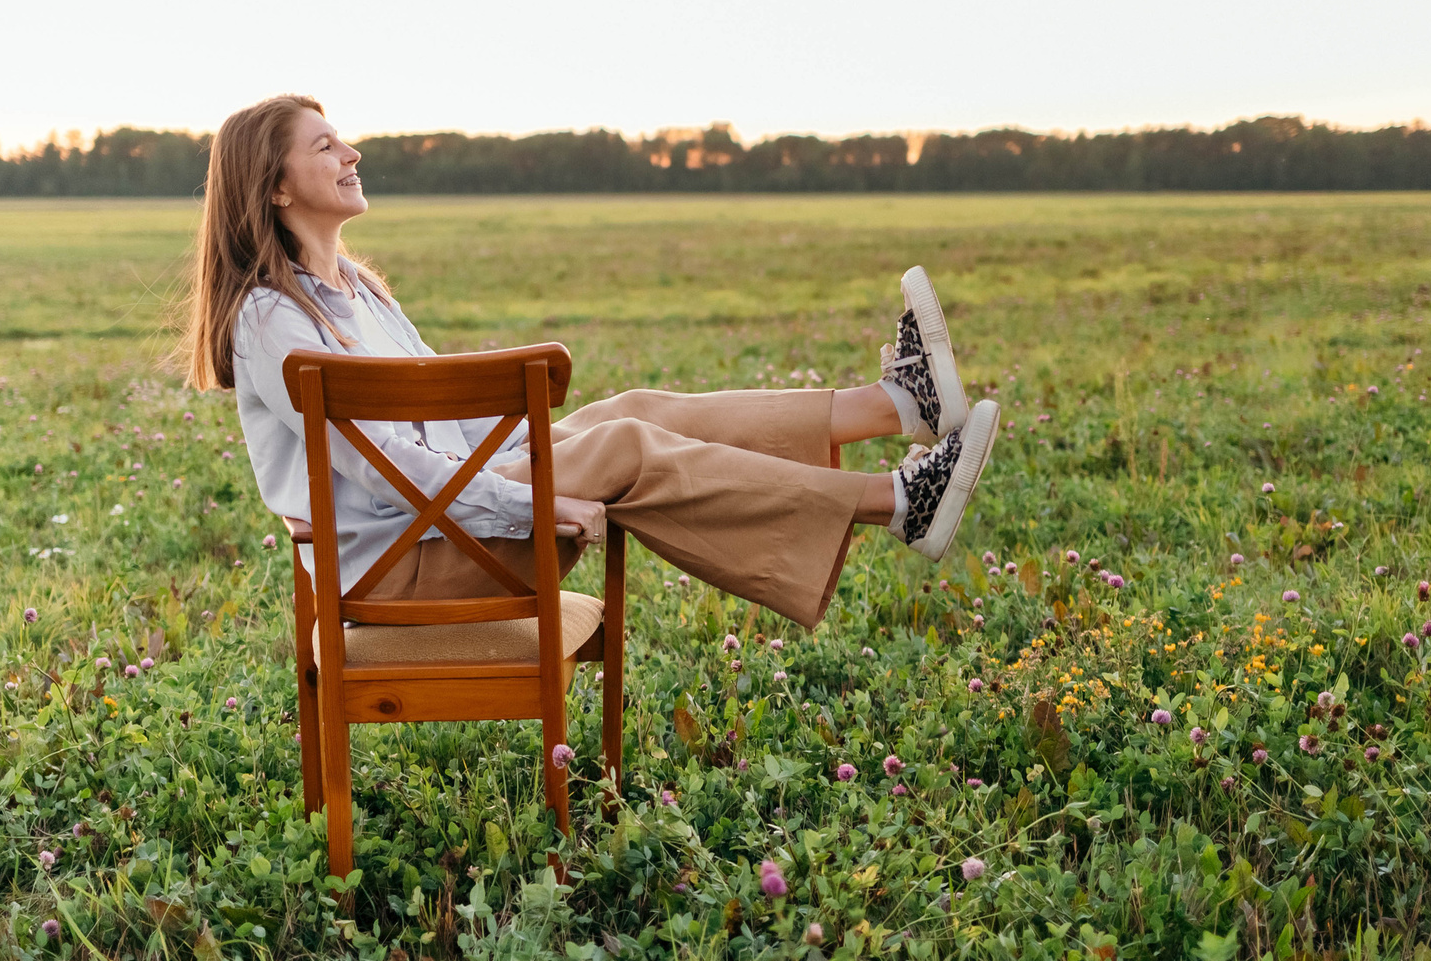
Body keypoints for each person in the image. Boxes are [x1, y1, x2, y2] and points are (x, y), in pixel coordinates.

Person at [184, 94, 1001, 627]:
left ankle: (896, 406)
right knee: (623, 446)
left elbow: (447, 414)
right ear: (278, 188)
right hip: (403, 567)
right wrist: (525, 508)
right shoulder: (270, 323)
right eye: (327, 146)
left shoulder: (357, 289)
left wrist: (532, 449)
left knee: (631, 409)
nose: (352, 152)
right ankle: (897, 500)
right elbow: (380, 465)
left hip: (438, 525)